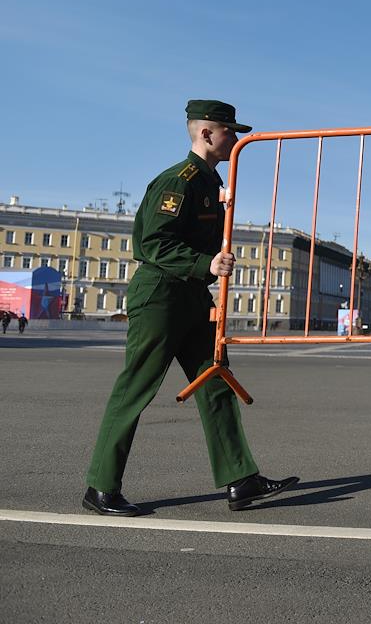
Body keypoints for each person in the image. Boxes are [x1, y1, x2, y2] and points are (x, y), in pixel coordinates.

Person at [82, 100, 298, 517]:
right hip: (161, 296)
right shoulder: (178, 182)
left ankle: (240, 479)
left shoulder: (209, 184)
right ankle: (101, 487)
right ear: (206, 133)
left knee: (216, 380)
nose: (234, 139)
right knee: (136, 388)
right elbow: (153, 244)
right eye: (229, 131)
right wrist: (207, 264)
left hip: (193, 297)